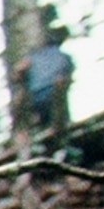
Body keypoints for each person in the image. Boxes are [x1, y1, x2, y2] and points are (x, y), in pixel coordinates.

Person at [21, 12, 73, 145]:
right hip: (53, 94)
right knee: (60, 123)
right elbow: (67, 76)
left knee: (42, 124)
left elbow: (19, 70)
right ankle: (61, 143)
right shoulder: (64, 57)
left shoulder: (34, 56)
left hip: (37, 96)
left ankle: (43, 143)